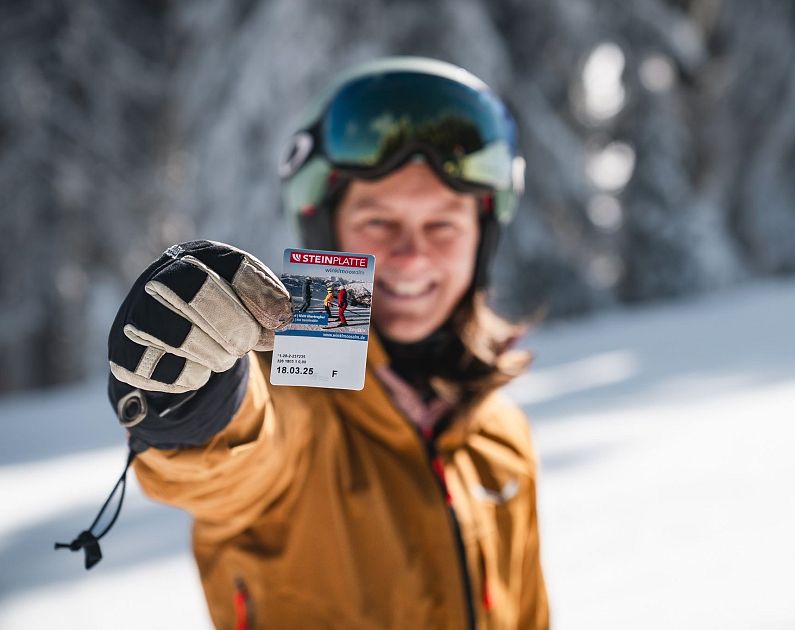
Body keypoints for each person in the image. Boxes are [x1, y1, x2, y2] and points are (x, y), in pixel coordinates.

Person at [98, 57, 548, 629]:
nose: (412, 257)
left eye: (443, 225)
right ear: (325, 230)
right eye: (378, 222)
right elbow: (238, 463)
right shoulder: (297, 396)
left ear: (482, 239)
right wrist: (197, 407)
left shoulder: (502, 434)